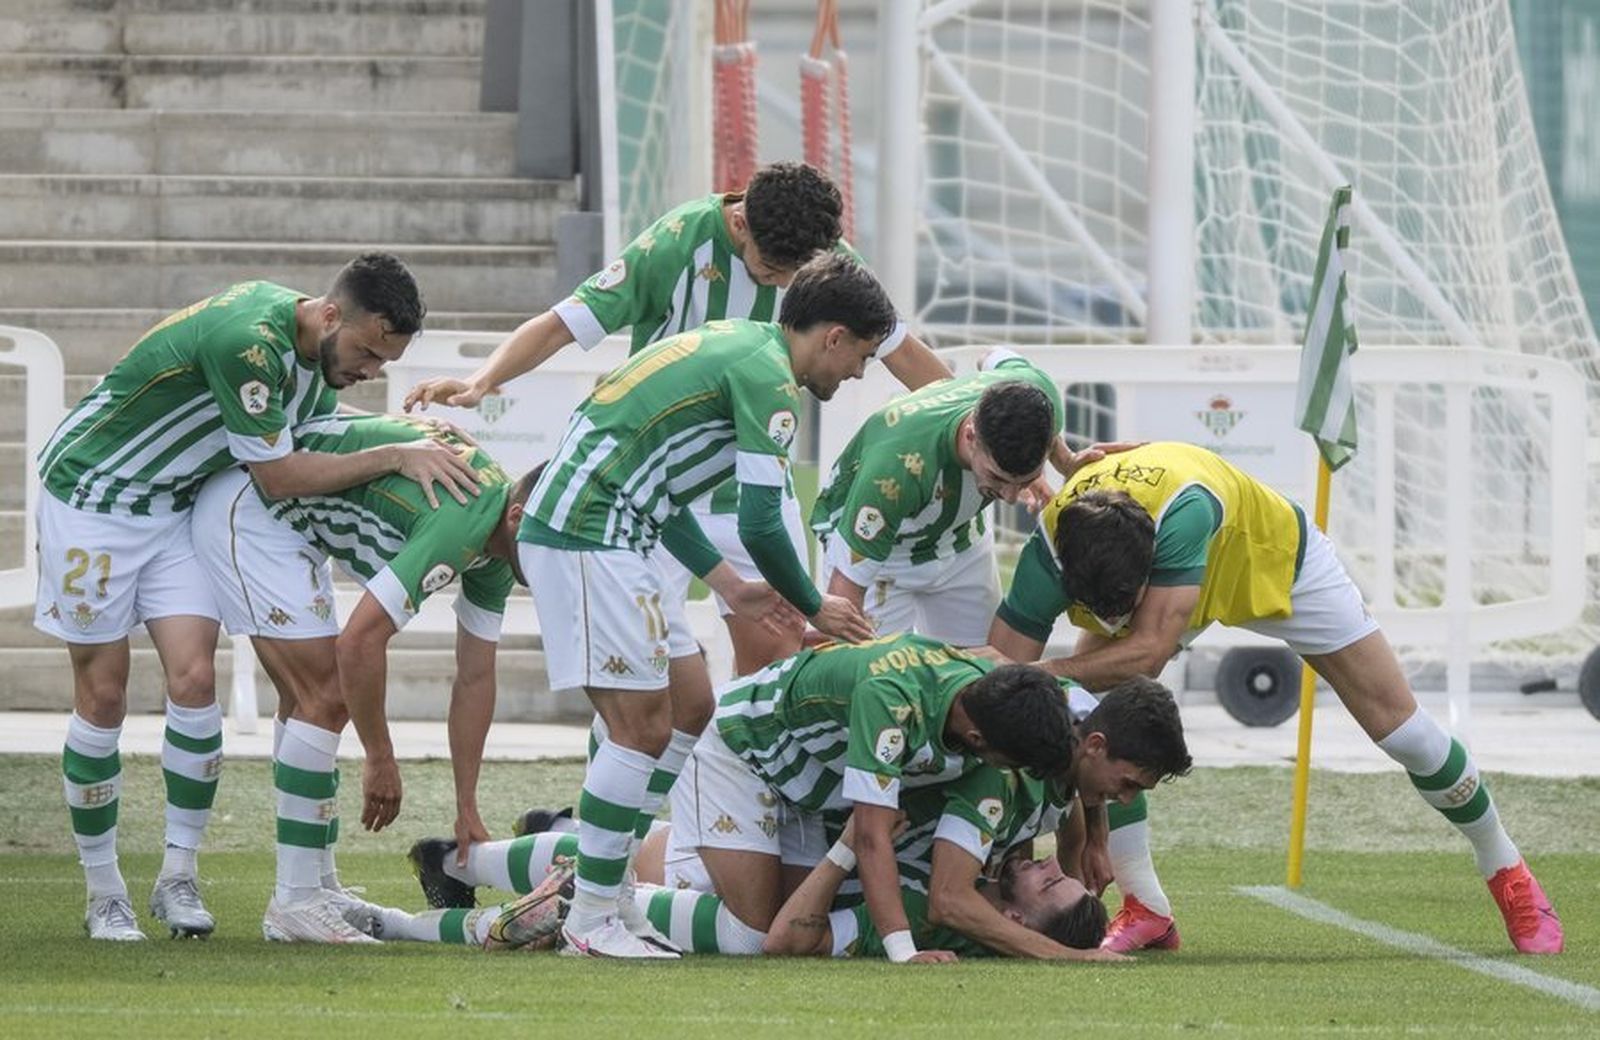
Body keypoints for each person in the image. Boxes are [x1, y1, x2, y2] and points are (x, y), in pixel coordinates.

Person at [34, 255, 475, 941]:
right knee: (105, 694)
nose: (368, 371)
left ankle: (177, 876)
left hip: (174, 507)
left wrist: (417, 435)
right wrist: (396, 455)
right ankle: (103, 889)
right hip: (95, 497)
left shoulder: (314, 355)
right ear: (330, 315)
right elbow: (278, 476)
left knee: (196, 678)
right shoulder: (250, 344)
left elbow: (314, 438)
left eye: (383, 363)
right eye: (365, 352)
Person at [988, 440, 1564, 955]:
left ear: (1152, 561)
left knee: (1402, 730)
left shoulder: (1183, 517)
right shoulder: (1048, 552)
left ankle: (1505, 865)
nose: (1113, 620)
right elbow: (994, 690)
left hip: (1277, 562)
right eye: (1104, 610)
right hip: (1162, 589)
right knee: (1092, 724)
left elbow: (1148, 653)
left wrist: (1047, 673)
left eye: (1124, 603)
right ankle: (1147, 907)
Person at [406, 161, 953, 675]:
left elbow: (903, 353)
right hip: (660, 496)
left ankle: (729, 775)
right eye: (769, 270)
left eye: (794, 275)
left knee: (777, 664)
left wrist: (978, 425)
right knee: (644, 679)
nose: (783, 285)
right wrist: (483, 380)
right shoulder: (675, 243)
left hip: (757, 486)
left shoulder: (824, 260)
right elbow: (563, 322)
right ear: (740, 222)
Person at [516, 252, 889, 958]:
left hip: (614, 529)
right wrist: (814, 606)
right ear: (834, 336)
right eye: (863, 357)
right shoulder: (770, 382)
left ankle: (610, 895)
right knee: (637, 728)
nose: (858, 374)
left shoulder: (736, 344)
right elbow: (758, 522)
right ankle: (590, 916)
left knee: (688, 705)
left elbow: (663, 492)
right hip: (588, 532)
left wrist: (728, 584)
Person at [190, 415, 530, 942]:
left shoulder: (501, 548)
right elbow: (360, 643)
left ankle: (314, 888)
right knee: (325, 695)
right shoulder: (463, 524)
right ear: (518, 517)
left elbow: (475, 676)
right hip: (252, 508)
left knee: (308, 701)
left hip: (284, 518)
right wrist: (380, 758)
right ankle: (295, 900)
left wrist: (467, 806)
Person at [671, 633, 1079, 964]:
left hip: (806, 794)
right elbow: (870, 835)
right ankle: (630, 898)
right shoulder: (892, 703)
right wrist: (902, 951)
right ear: (978, 740)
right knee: (750, 936)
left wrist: (1093, 827)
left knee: (789, 919)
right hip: (741, 752)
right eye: (1009, 764)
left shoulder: (989, 690)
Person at [812, 347, 1066, 645]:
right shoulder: (894, 470)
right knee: (877, 676)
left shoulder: (1036, 393)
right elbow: (847, 588)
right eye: (998, 478)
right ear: (971, 436)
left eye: (1023, 480)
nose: (1010, 498)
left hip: (961, 541)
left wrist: (1065, 459)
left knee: (980, 675)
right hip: (885, 556)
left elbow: (991, 355)